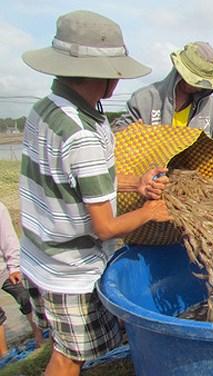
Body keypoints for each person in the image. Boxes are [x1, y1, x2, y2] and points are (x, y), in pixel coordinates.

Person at [20, 10, 172, 375]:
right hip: (69, 268)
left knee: (67, 347)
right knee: (69, 356)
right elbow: (104, 227)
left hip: (40, 253)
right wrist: (151, 211)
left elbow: (77, 178)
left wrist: (135, 183)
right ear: (106, 76)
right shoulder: (83, 134)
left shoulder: (47, 110)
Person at [112, 41, 213, 169]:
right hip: (153, 180)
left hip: (195, 180)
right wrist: (138, 135)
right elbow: (119, 135)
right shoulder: (145, 100)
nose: (200, 87)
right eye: (196, 81)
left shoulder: (210, 105)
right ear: (180, 72)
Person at [0, 202, 44, 365]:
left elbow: (9, 240)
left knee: (26, 296)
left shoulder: (0, 209)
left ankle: (39, 338)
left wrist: (14, 268)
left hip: (4, 268)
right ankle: (4, 355)